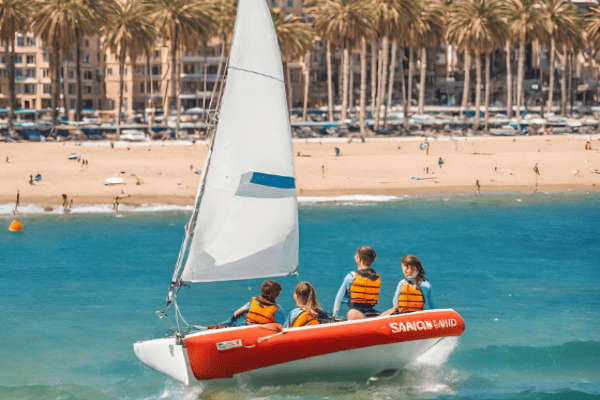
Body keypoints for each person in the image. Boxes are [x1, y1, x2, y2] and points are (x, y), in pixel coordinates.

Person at [332, 246, 381, 321]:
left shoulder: (351, 276)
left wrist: (334, 317)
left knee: (351, 313)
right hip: (372, 312)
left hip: (356, 312)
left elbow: (338, 298)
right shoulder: (377, 277)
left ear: (358, 258)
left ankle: (363, 320)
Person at [219, 280, 285, 328]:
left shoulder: (252, 302)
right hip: (259, 331)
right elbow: (279, 328)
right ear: (276, 294)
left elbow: (236, 313)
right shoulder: (278, 310)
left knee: (234, 320)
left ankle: (220, 327)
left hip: (245, 326)